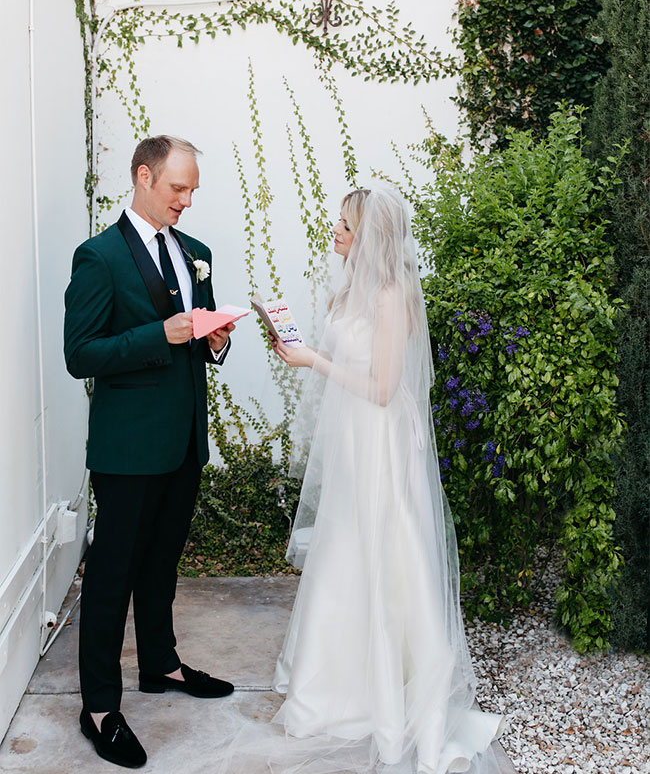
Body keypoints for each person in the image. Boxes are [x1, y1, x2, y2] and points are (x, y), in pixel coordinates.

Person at [265, 187, 504, 774]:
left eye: (344, 227)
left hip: (380, 450)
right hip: (351, 450)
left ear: (369, 235)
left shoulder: (395, 297)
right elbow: (343, 359)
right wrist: (298, 343)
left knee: (386, 554)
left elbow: (381, 389)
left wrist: (312, 362)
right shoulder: (350, 289)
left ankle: (394, 691)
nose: (336, 235)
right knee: (344, 553)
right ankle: (339, 684)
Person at [64, 135, 236, 769]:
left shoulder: (197, 254)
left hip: (184, 440)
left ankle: (160, 665)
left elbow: (197, 339)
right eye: (176, 189)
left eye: (192, 191)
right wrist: (155, 335)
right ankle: (100, 708)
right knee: (111, 578)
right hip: (128, 450)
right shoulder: (99, 257)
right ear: (143, 177)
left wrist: (214, 344)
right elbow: (79, 352)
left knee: (162, 566)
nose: (186, 202)